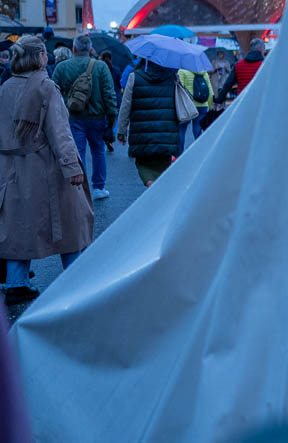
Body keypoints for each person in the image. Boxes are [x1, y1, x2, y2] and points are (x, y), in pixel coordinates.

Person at [0, 37, 93, 306]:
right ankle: (77, 278)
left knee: (16, 226)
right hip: (44, 166)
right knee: (69, 221)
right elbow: (59, 131)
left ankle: (17, 284)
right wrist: (72, 167)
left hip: (10, 168)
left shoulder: (5, 87)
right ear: (40, 55)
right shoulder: (45, 87)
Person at [51, 34, 118, 201]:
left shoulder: (62, 67)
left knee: (78, 153)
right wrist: (112, 117)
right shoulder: (101, 67)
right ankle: (99, 187)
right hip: (97, 117)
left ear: (74, 48)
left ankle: (81, 188)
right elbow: (109, 93)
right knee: (98, 151)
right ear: (90, 49)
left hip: (73, 117)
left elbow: (52, 93)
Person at [116, 59, 179, 187]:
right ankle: (159, 193)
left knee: (142, 163)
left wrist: (121, 131)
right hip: (166, 131)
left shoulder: (135, 76)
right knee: (163, 165)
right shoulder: (171, 77)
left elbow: (125, 106)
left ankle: (150, 183)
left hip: (142, 132)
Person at [213, 39, 265, 104]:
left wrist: (219, 99)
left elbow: (228, 84)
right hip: (261, 102)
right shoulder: (265, 65)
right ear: (260, 49)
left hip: (242, 103)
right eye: (264, 49)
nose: (264, 51)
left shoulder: (238, 65)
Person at [177, 67, 213, 148]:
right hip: (203, 106)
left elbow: (180, 90)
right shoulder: (204, 72)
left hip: (188, 106)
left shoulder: (182, 71)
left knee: (182, 129)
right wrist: (210, 107)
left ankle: (179, 156)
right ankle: (200, 151)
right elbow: (210, 92)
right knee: (198, 129)